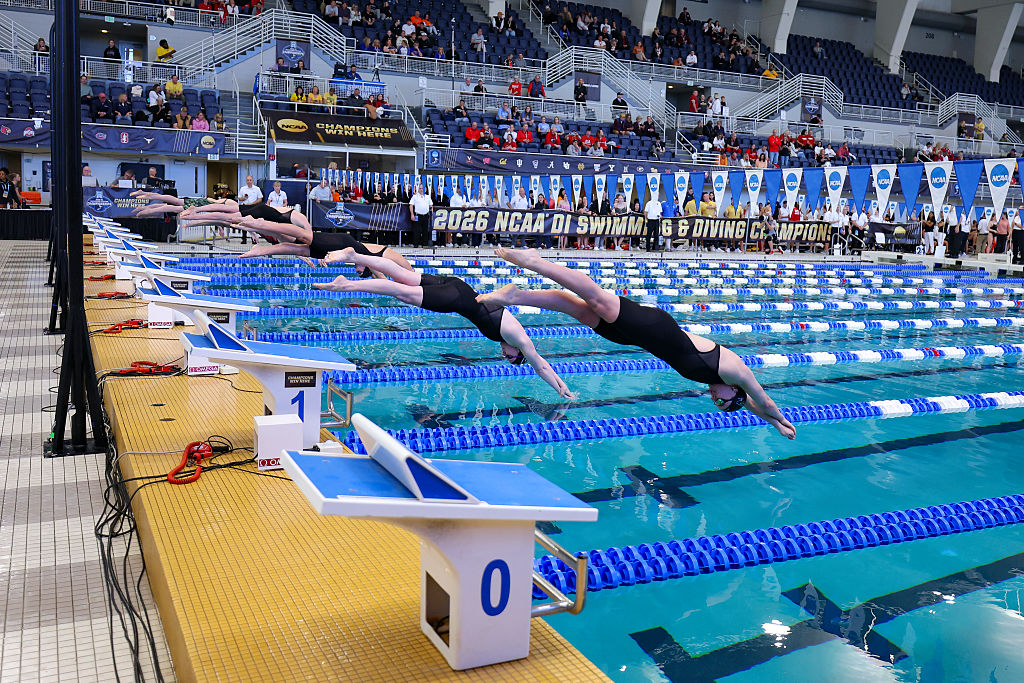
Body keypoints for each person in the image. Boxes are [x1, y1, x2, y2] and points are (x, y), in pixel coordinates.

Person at [478, 249, 796, 436]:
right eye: (721, 401)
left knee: (577, 309)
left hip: (637, 338)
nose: (714, 398)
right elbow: (764, 401)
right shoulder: (734, 370)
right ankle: (535, 262)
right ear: (734, 390)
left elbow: (751, 405)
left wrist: (767, 421)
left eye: (717, 404)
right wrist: (780, 421)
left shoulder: (722, 382)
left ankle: (515, 296)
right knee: (596, 298)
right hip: (652, 326)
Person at [314, 249, 575, 398]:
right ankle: (346, 284)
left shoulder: (512, 337)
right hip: (455, 299)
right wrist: (561, 388)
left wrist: (559, 380)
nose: (504, 355)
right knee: (401, 291)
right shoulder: (520, 339)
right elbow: (540, 365)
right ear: (518, 351)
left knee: (403, 276)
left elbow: (540, 362)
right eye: (510, 357)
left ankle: (355, 255)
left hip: (458, 287)